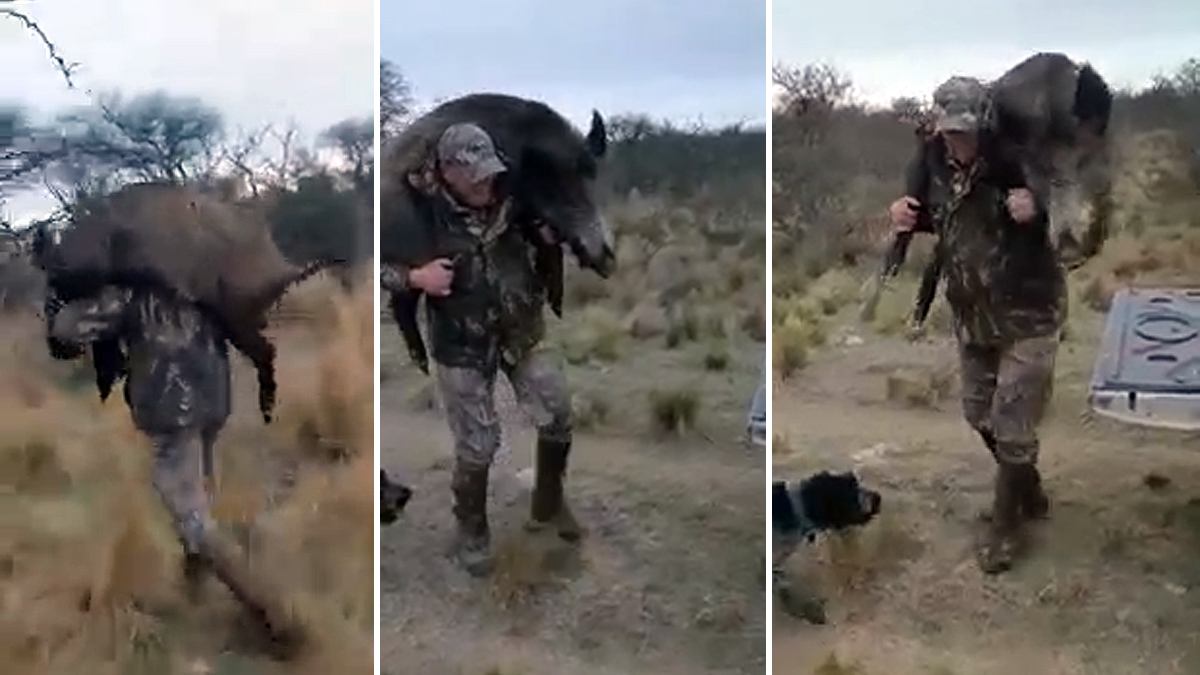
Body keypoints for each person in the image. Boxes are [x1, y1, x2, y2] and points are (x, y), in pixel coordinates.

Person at [45, 283, 302, 647]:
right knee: (198, 501)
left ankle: (274, 614)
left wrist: (59, 303)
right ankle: (192, 595)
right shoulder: (196, 274)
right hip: (212, 402)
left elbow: (70, 332)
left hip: (171, 410)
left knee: (193, 519)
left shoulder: (130, 290)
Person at [381, 123, 580, 577]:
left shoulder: (515, 193)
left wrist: (552, 237)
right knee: (478, 444)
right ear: (447, 171)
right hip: (461, 343)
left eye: (488, 172)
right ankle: (470, 531)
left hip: (521, 329)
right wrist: (415, 278)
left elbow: (562, 222)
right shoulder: (414, 213)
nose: (484, 184)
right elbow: (376, 263)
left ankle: (548, 505)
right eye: (474, 176)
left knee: (558, 412)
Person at [887, 76, 1068, 574]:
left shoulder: (1018, 159)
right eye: (950, 132)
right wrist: (909, 217)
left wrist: (1039, 208)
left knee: (1012, 422)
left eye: (966, 132)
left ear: (984, 123)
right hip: (973, 315)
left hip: (1029, 313)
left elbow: (1073, 217)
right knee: (977, 413)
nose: (958, 141)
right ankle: (1027, 488)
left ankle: (1005, 528)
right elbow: (947, 220)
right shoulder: (932, 164)